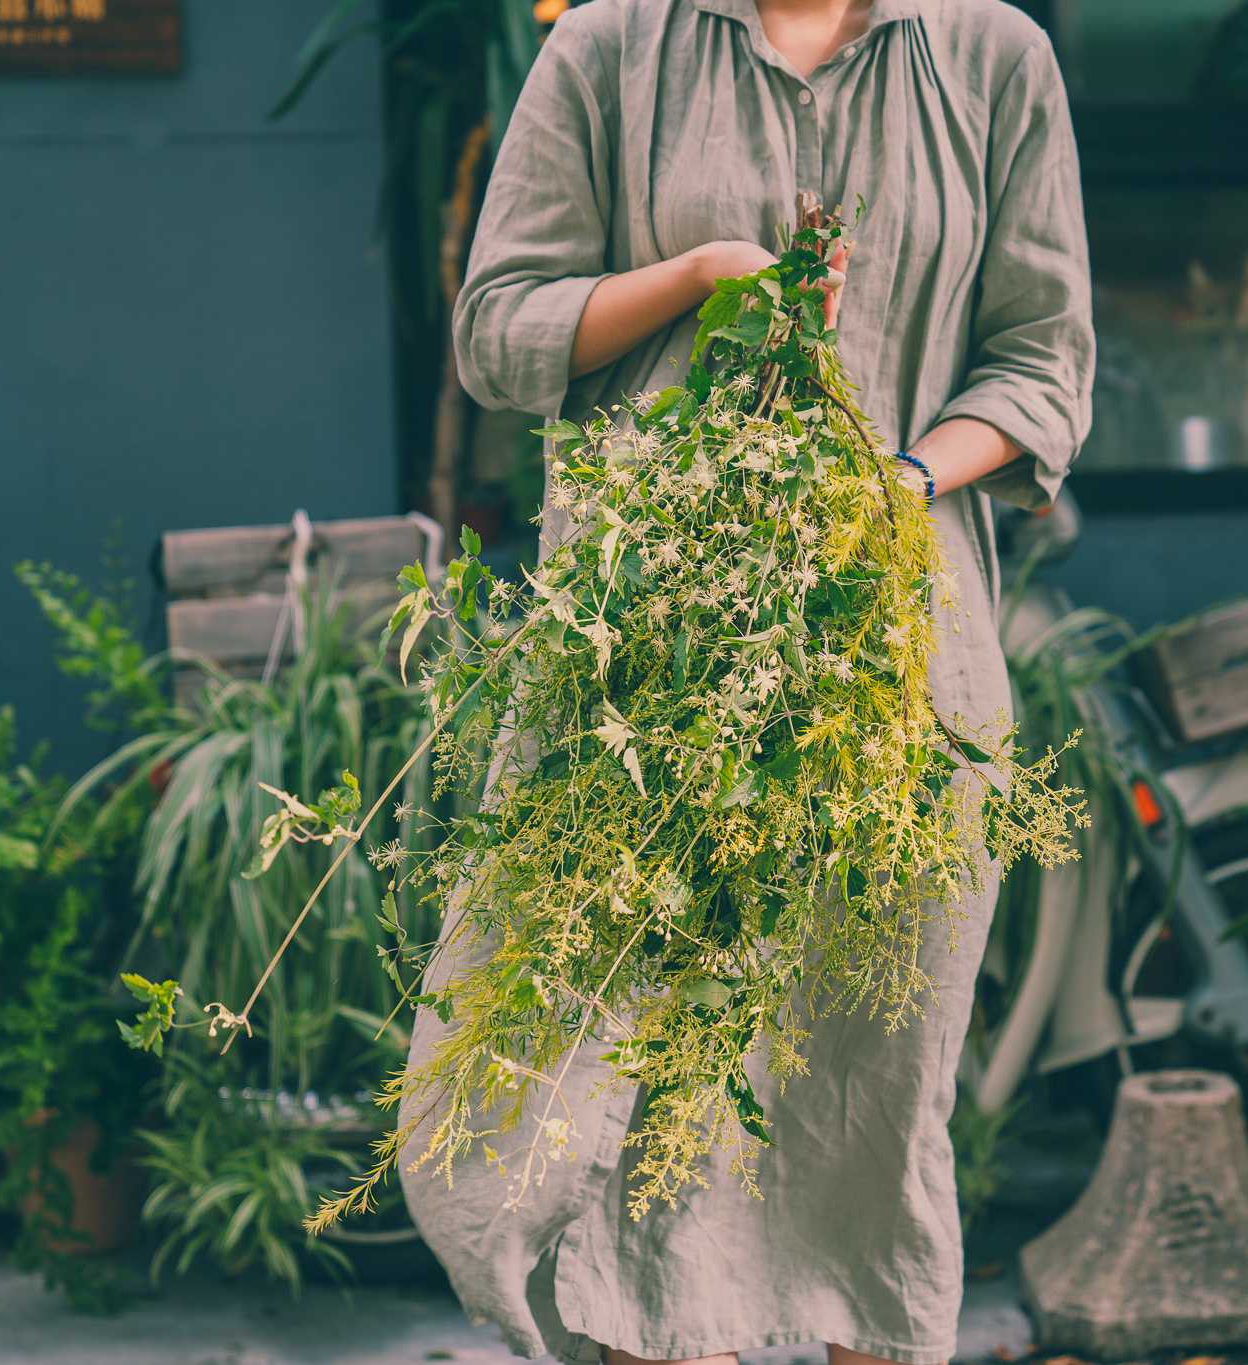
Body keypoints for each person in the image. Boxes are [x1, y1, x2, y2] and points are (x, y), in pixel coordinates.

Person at [398, 3, 1096, 1364]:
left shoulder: (989, 53)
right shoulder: (606, 45)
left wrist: (894, 486)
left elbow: (1041, 361)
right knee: (641, 1115)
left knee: (868, 1104)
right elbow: (495, 332)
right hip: (641, 676)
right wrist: (697, 279)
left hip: (891, 673)